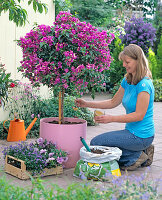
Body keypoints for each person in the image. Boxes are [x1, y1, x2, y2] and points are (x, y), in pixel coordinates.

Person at [75, 44, 155, 171]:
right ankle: (139, 151)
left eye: (127, 61)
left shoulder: (144, 85)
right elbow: (113, 102)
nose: (124, 65)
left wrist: (111, 119)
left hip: (142, 136)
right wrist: (87, 104)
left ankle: (136, 156)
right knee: (99, 144)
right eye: (123, 61)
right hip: (130, 132)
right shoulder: (127, 80)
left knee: (97, 143)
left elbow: (139, 115)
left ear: (138, 61)